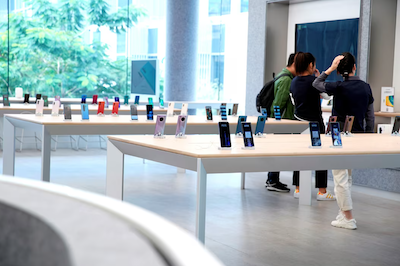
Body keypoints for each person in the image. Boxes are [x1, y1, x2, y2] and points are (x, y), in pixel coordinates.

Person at [313, 52, 375, 229]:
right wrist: (368, 135)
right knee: (346, 176)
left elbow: (316, 83)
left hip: (337, 135)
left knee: (340, 177)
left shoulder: (337, 86)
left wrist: (330, 69)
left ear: (339, 71)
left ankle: (348, 218)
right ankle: (343, 213)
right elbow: (370, 116)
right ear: (354, 67)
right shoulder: (366, 87)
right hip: (358, 135)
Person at [290, 52, 336, 201]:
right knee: (320, 157)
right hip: (315, 124)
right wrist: (318, 79)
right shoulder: (314, 81)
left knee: (299, 156)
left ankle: (298, 188)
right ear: (311, 65)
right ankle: (322, 191)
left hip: (298, 123)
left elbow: (293, 101)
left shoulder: (294, 81)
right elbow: (328, 97)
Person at [265, 53, 296, 193]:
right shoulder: (286, 80)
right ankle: (272, 180)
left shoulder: (282, 76)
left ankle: (273, 179)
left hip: (279, 121)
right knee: (277, 150)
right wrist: (277, 121)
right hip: (281, 121)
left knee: (277, 150)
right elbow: (278, 103)